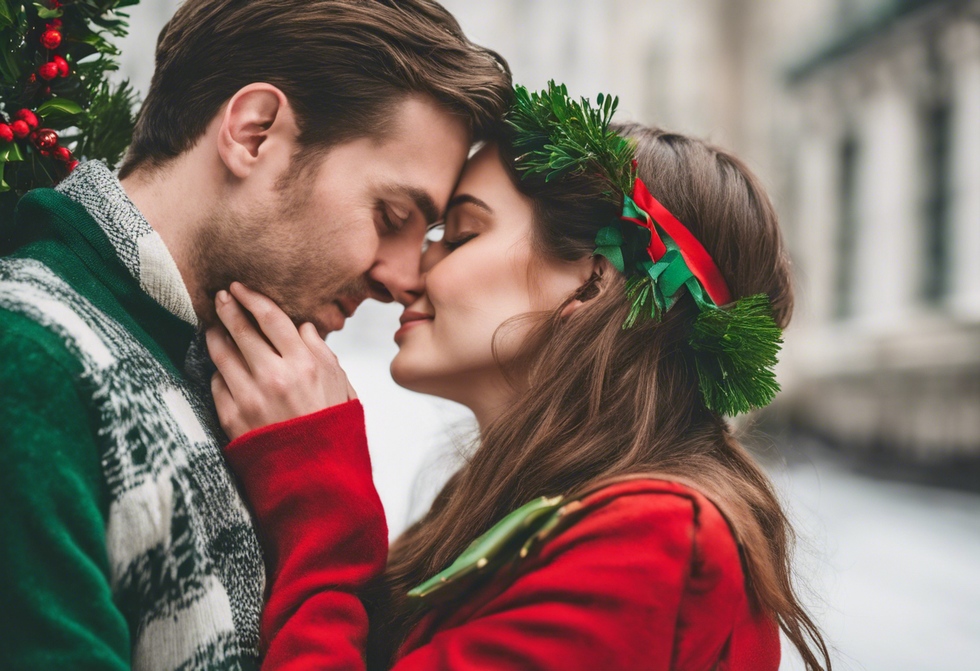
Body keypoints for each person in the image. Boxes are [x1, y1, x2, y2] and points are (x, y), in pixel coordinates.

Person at [204, 83, 833, 670]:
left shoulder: (653, 543)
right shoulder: (523, 503)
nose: (406, 273)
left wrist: (316, 492)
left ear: (590, 280)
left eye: (460, 234)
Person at [0, 0, 510, 667]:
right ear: (253, 133)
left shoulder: (234, 379)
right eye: (391, 214)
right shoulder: (31, 362)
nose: (405, 279)